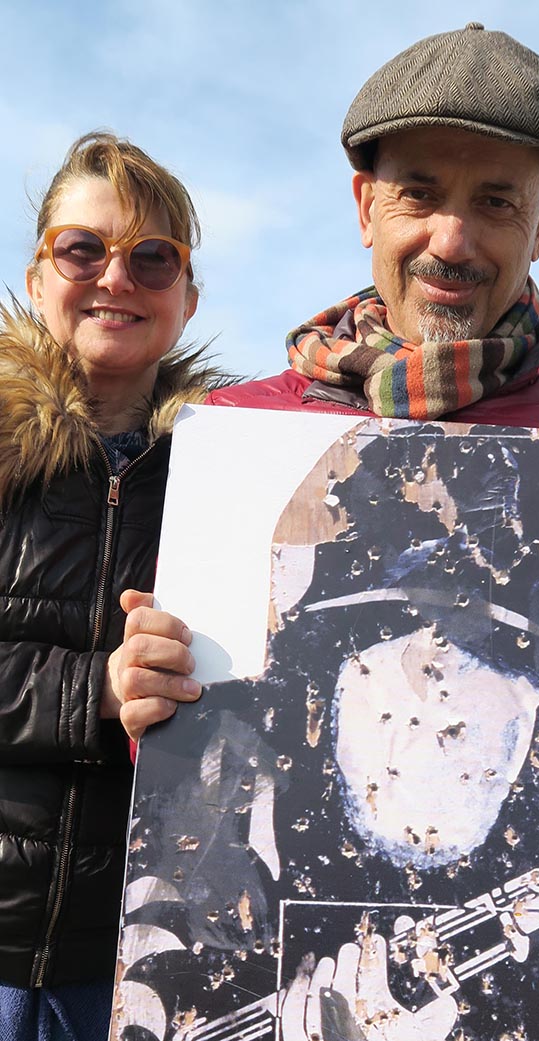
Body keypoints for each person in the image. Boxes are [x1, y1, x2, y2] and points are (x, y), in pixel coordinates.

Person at [114, 16, 539, 969]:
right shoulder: (240, 438)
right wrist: (144, 693)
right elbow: (179, 771)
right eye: (420, 193)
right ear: (366, 204)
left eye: (496, 202)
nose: (451, 240)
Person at [115, 423, 539, 1041]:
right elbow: (151, 996)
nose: (432, 696)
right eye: (398, 653)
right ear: (322, 683)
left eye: (482, 653)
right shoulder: (221, 837)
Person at [0, 132, 231, 1041]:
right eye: (83, 248)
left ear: (187, 297)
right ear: (36, 274)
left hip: (141, 966)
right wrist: (95, 689)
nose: (116, 278)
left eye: (151, 257)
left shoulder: (231, 479)